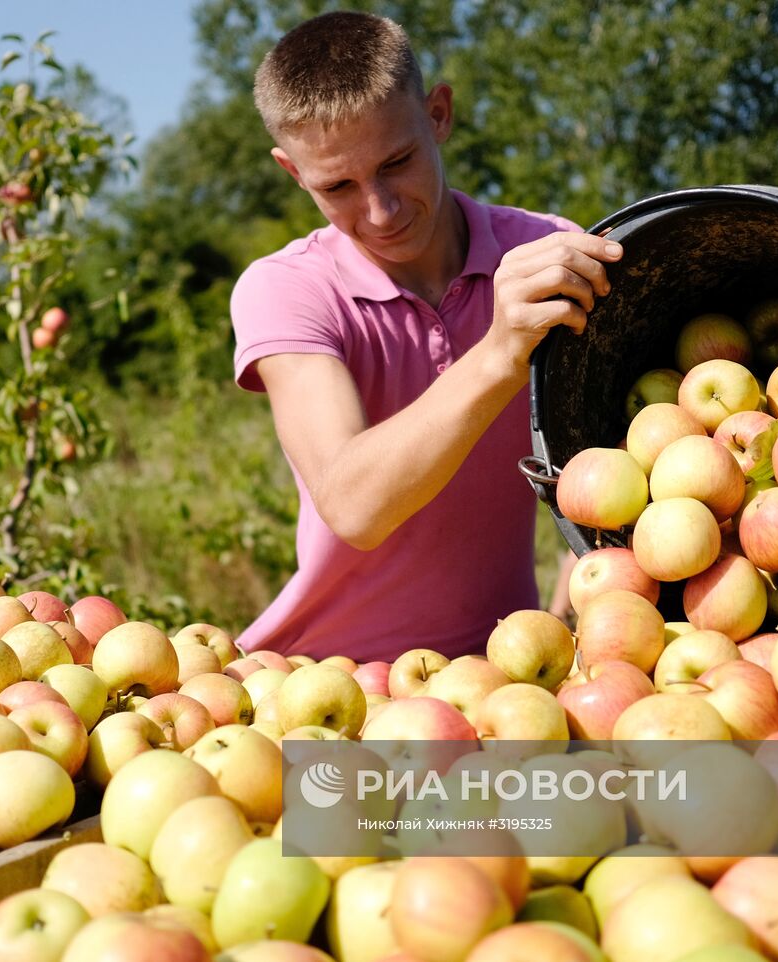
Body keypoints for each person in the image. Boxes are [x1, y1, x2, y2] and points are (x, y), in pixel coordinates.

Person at [230, 11, 617, 661]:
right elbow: (353, 504)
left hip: (505, 678)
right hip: (325, 681)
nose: (379, 209)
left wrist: (567, 619)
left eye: (397, 161)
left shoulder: (545, 252)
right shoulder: (286, 289)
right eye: (338, 186)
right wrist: (500, 350)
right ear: (293, 172)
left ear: (438, 113)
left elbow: (604, 467)